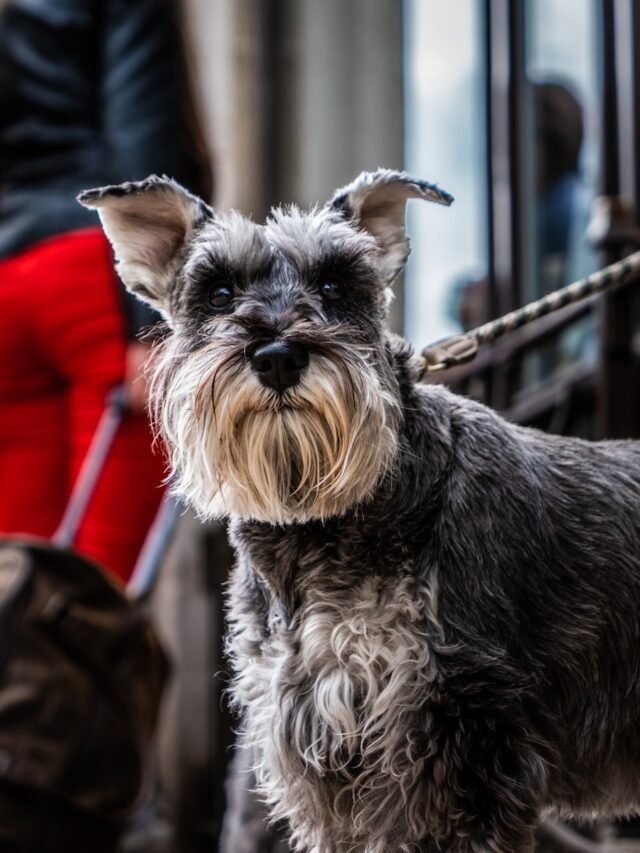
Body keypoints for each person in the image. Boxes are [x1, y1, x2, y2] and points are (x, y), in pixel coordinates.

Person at [0, 0, 213, 584]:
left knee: (15, 588)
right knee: (99, 592)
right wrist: (151, 323)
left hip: (8, 287)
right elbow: (144, 142)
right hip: (91, 277)